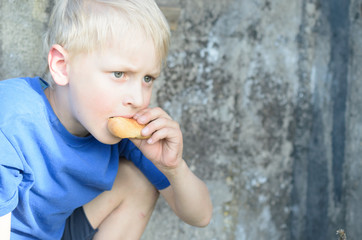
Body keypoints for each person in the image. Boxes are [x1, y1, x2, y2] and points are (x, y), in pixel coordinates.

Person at [0, 0, 213, 239]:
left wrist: (174, 168)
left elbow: (201, 216)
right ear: (62, 67)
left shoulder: (121, 132)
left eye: (148, 78)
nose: (137, 98)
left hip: (53, 232)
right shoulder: (11, 121)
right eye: (119, 74)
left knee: (137, 182)